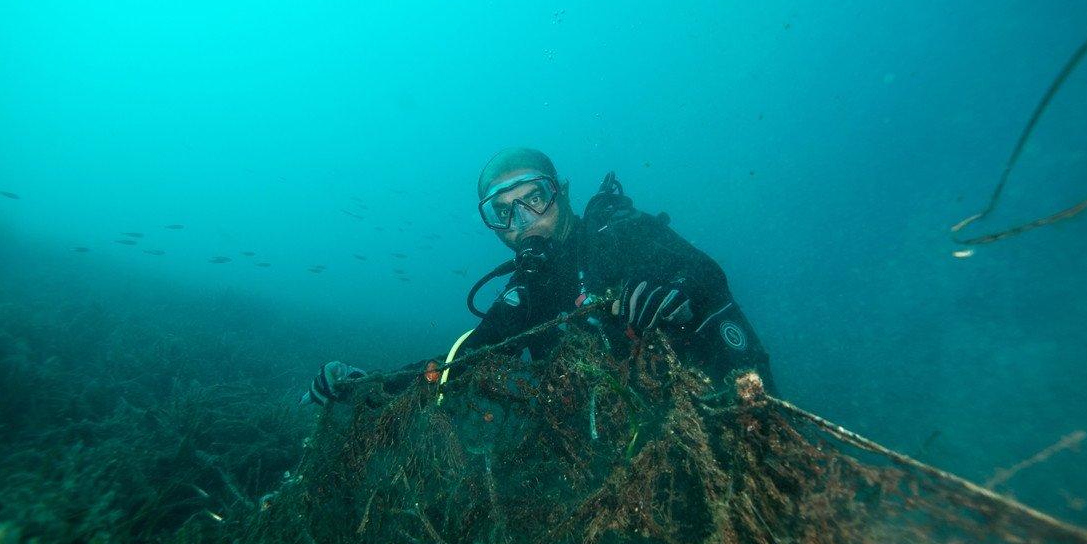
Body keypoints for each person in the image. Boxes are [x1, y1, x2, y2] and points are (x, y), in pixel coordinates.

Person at [305, 147, 774, 406]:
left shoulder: (618, 233)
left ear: (562, 193)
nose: (523, 220)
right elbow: (458, 367)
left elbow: (700, 271)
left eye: (535, 197)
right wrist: (369, 387)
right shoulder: (524, 294)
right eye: (502, 212)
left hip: (732, 407)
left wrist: (670, 290)